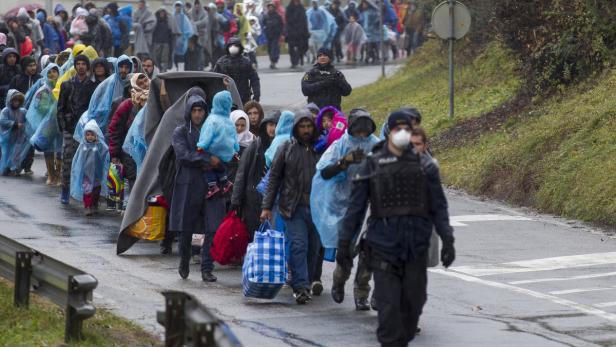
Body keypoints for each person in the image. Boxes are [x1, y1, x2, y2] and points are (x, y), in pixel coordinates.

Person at [337, 111, 456, 346]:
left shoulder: (425, 165)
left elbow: (439, 207)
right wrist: (344, 243)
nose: (402, 133)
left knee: (413, 307)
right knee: (389, 312)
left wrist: (448, 240)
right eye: (397, 128)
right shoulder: (372, 164)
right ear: (388, 131)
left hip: (415, 248)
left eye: (407, 128)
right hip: (384, 248)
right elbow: (355, 209)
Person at [310, 108, 379, 310]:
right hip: (344, 205)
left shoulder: (376, 146)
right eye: (358, 131)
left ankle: (361, 293)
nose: (361, 136)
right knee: (346, 251)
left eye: (365, 132)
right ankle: (339, 281)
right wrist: (344, 162)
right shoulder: (340, 145)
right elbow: (323, 172)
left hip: (371, 205)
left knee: (369, 252)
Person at [260, 109, 321, 304]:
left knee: (313, 248)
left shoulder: (320, 149)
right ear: (295, 128)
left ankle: (307, 280)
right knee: (298, 245)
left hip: (317, 209)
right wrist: (267, 207)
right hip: (293, 208)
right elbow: (274, 178)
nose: (305, 130)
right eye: (302, 126)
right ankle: (300, 286)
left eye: (308, 126)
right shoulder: (286, 148)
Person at [170, 94, 220, 282]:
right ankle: (184, 259)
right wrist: (206, 160)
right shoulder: (181, 132)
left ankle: (207, 267)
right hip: (188, 184)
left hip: (210, 185)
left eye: (201, 111)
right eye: (195, 110)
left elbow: (220, 152)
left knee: (212, 226)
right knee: (186, 227)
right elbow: (183, 155)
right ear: (189, 112)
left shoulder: (212, 129)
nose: (198, 114)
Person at [231, 110, 279, 237]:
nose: (272, 129)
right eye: (270, 125)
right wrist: (236, 199)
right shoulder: (255, 146)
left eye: (275, 125)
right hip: (253, 198)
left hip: (275, 199)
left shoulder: (285, 146)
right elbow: (242, 173)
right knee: (253, 235)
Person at [58, 54, 98, 204]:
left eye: (83, 64)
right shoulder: (67, 85)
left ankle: (84, 192)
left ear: (87, 67)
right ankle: (65, 189)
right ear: (74, 66)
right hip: (69, 127)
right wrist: (63, 126)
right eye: (78, 63)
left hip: (85, 129)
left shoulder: (92, 86)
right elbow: (60, 108)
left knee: (87, 161)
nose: (81, 66)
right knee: (67, 159)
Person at [107, 73, 150, 198]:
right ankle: (133, 208)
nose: (144, 85)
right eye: (139, 83)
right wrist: (114, 154)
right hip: (130, 149)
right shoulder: (127, 104)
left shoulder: (155, 100)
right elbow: (115, 129)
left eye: (145, 81)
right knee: (133, 177)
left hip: (150, 148)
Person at [74, 55, 132, 142]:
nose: (123, 70)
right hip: (107, 126)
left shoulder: (134, 83)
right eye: (121, 67)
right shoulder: (107, 84)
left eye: (127, 67)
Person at [196, 90, 239, 198]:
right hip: (227, 153)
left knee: (207, 167)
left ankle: (212, 186)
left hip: (213, 150)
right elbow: (234, 137)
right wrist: (235, 150)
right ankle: (225, 183)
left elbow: (207, 135)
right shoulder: (229, 121)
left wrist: (201, 146)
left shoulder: (212, 120)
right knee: (220, 168)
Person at [26, 63, 62, 186]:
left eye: (55, 71)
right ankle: (51, 176)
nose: (52, 74)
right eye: (49, 72)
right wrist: (51, 109)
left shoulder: (63, 86)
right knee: (48, 150)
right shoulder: (43, 90)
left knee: (60, 150)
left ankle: (58, 176)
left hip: (60, 123)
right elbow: (38, 108)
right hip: (46, 125)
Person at [70, 119, 110, 216]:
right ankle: (87, 206)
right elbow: (77, 158)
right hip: (86, 173)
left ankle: (94, 204)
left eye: (92, 135)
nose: (90, 137)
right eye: (87, 135)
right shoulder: (83, 145)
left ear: (96, 135)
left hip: (97, 173)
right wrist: (77, 169)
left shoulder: (100, 145)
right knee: (87, 190)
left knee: (96, 190)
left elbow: (106, 154)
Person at [212, 37, 261, 105]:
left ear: (240, 47)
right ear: (227, 47)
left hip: (244, 96)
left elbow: (254, 79)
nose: (233, 47)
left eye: (236, 45)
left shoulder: (246, 62)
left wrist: (257, 94)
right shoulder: (221, 62)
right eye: (231, 45)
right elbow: (214, 80)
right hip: (226, 96)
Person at [0, 90, 29, 176]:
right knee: (6, 153)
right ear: (10, 100)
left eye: (18, 100)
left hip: (19, 137)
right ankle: (6, 168)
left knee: (17, 153)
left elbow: (29, 119)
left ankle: (15, 168)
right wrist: (15, 124)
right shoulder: (5, 111)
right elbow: (2, 121)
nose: (16, 102)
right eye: (14, 100)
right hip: (7, 138)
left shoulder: (23, 111)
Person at [285, 0, 310, 69]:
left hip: (300, 32)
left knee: (301, 47)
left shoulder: (302, 8)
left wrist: (306, 31)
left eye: (297, 1)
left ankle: (300, 58)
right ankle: (294, 62)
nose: (296, 2)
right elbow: (287, 21)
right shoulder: (289, 8)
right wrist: (287, 31)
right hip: (291, 32)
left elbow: (305, 21)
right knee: (291, 48)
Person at [262, 2, 284, 70]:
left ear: (274, 8)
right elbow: (263, 24)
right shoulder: (266, 16)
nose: (270, 8)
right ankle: (272, 61)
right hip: (268, 35)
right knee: (270, 49)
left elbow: (281, 25)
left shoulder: (278, 16)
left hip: (276, 35)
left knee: (274, 49)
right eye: (269, 7)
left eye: (272, 7)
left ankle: (273, 62)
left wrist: (281, 33)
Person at [152, 8, 173, 73]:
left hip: (166, 43)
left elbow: (171, 32)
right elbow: (152, 31)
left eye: (163, 13)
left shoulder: (168, 21)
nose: (162, 14)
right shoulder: (155, 21)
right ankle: (159, 69)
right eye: (161, 13)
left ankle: (164, 70)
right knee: (157, 57)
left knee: (164, 58)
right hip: (157, 42)